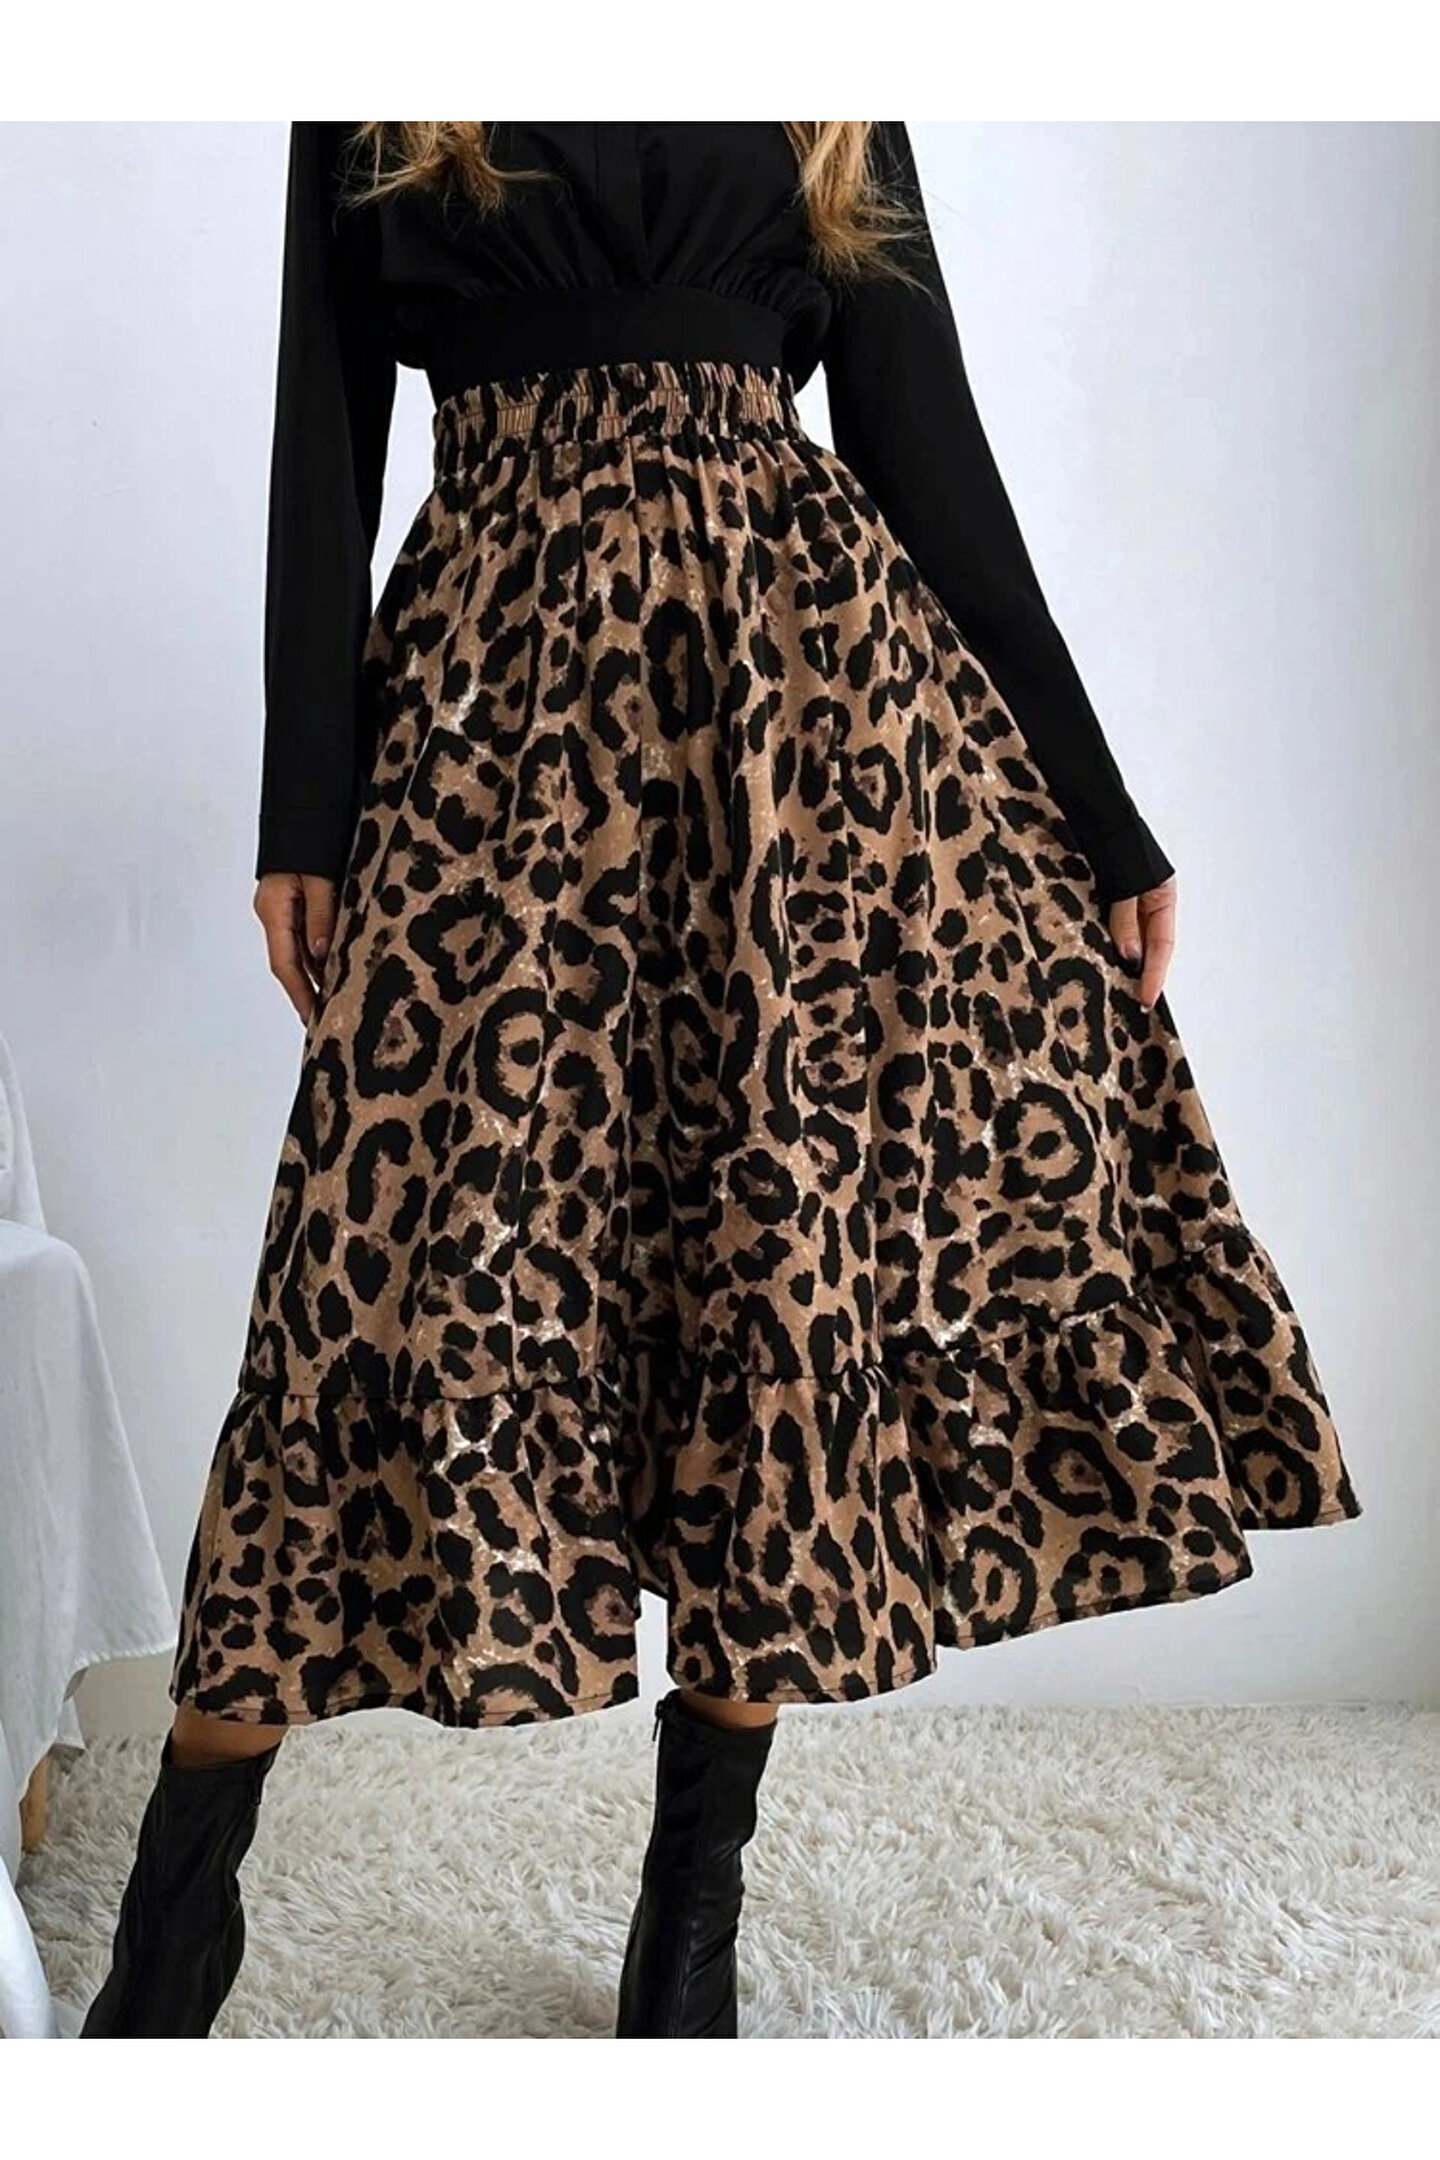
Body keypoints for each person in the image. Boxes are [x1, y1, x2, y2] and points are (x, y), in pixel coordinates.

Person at [81, 121, 1358, 2041]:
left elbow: (924, 448)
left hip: (800, 727)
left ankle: (694, 1906)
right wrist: (304, 810)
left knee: (774, 1264)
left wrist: (1101, 818)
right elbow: (321, 434)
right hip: (500, 720)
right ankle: (179, 1916)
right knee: (374, 1272)